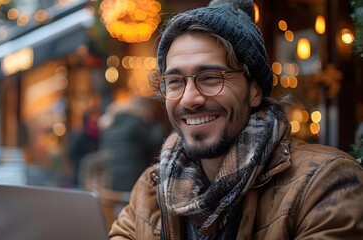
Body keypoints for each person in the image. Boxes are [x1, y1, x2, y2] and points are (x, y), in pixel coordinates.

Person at [109, 0, 363, 239]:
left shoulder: (325, 182)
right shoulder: (151, 190)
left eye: (210, 77)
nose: (188, 99)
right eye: (175, 82)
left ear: (254, 90)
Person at [98, 97, 165, 192]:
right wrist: (158, 124)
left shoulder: (110, 127)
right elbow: (152, 142)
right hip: (133, 172)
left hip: (112, 173)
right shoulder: (135, 123)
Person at [67, 109, 100, 187]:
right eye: (93, 122)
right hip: (80, 176)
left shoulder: (99, 136)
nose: (95, 125)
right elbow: (72, 155)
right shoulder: (79, 137)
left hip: (94, 179)